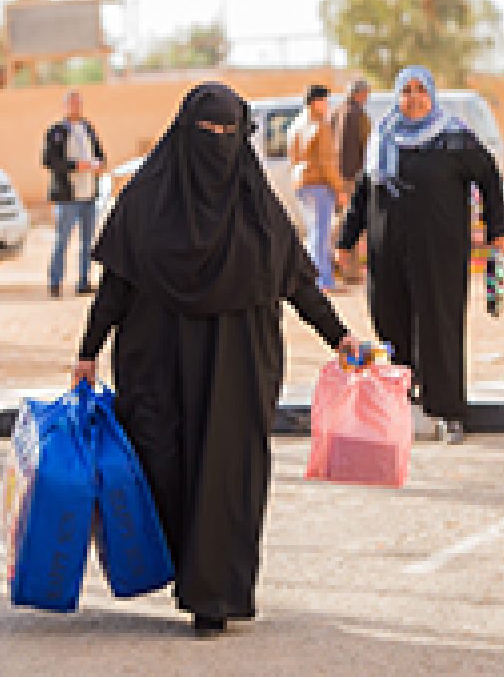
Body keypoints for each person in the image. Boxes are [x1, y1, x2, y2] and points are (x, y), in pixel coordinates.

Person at [73, 83, 357, 637]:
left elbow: (297, 281)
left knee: (229, 473)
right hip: (160, 363)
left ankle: (216, 594)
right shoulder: (146, 201)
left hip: (239, 365)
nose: (220, 144)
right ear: (185, 133)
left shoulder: (256, 208)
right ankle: (186, 572)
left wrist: (340, 336)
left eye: (232, 134)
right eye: (210, 133)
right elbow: (116, 285)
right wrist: (88, 350)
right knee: (166, 464)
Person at [337, 66, 504, 445]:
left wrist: (497, 229)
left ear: (432, 94)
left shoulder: (454, 138)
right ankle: (400, 406)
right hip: (388, 252)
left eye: (420, 91)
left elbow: (490, 178)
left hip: (440, 252)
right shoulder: (382, 138)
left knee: (438, 327)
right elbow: (364, 194)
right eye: (406, 91)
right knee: (390, 323)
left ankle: (447, 410)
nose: (413, 98)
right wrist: (346, 240)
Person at [43, 91, 104, 298]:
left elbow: (99, 154)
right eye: (72, 103)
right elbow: (49, 161)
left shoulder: (88, 128)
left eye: (79, 103)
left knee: (87, 242)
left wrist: (99, 164)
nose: (76, 107)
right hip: (67, 196)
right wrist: (76, 165)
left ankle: (84, 281)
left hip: (89, 195)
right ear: (65, 106)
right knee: (62, 240)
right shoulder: (56, 131)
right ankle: (55, 282)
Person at [289, 85, 345, 292]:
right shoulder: (320, 126)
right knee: (321, 233)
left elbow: (293, 157)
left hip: (301, 183)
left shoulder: (296, 124)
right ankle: (323, 280)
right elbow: (327, 162)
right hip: (319, 183)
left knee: (313, 232)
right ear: (316, 102)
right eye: (325, 100)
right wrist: (339, 188)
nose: (328, 104)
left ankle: (312, 277)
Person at [330, 79, 372, 284]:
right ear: (360, 93)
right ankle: (351, 272)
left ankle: (340, 268)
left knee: (341, 221)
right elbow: (366, 147)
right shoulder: (357, 114)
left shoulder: (336, 112)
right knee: (353, 221)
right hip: (353, 176)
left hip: (338, 175)